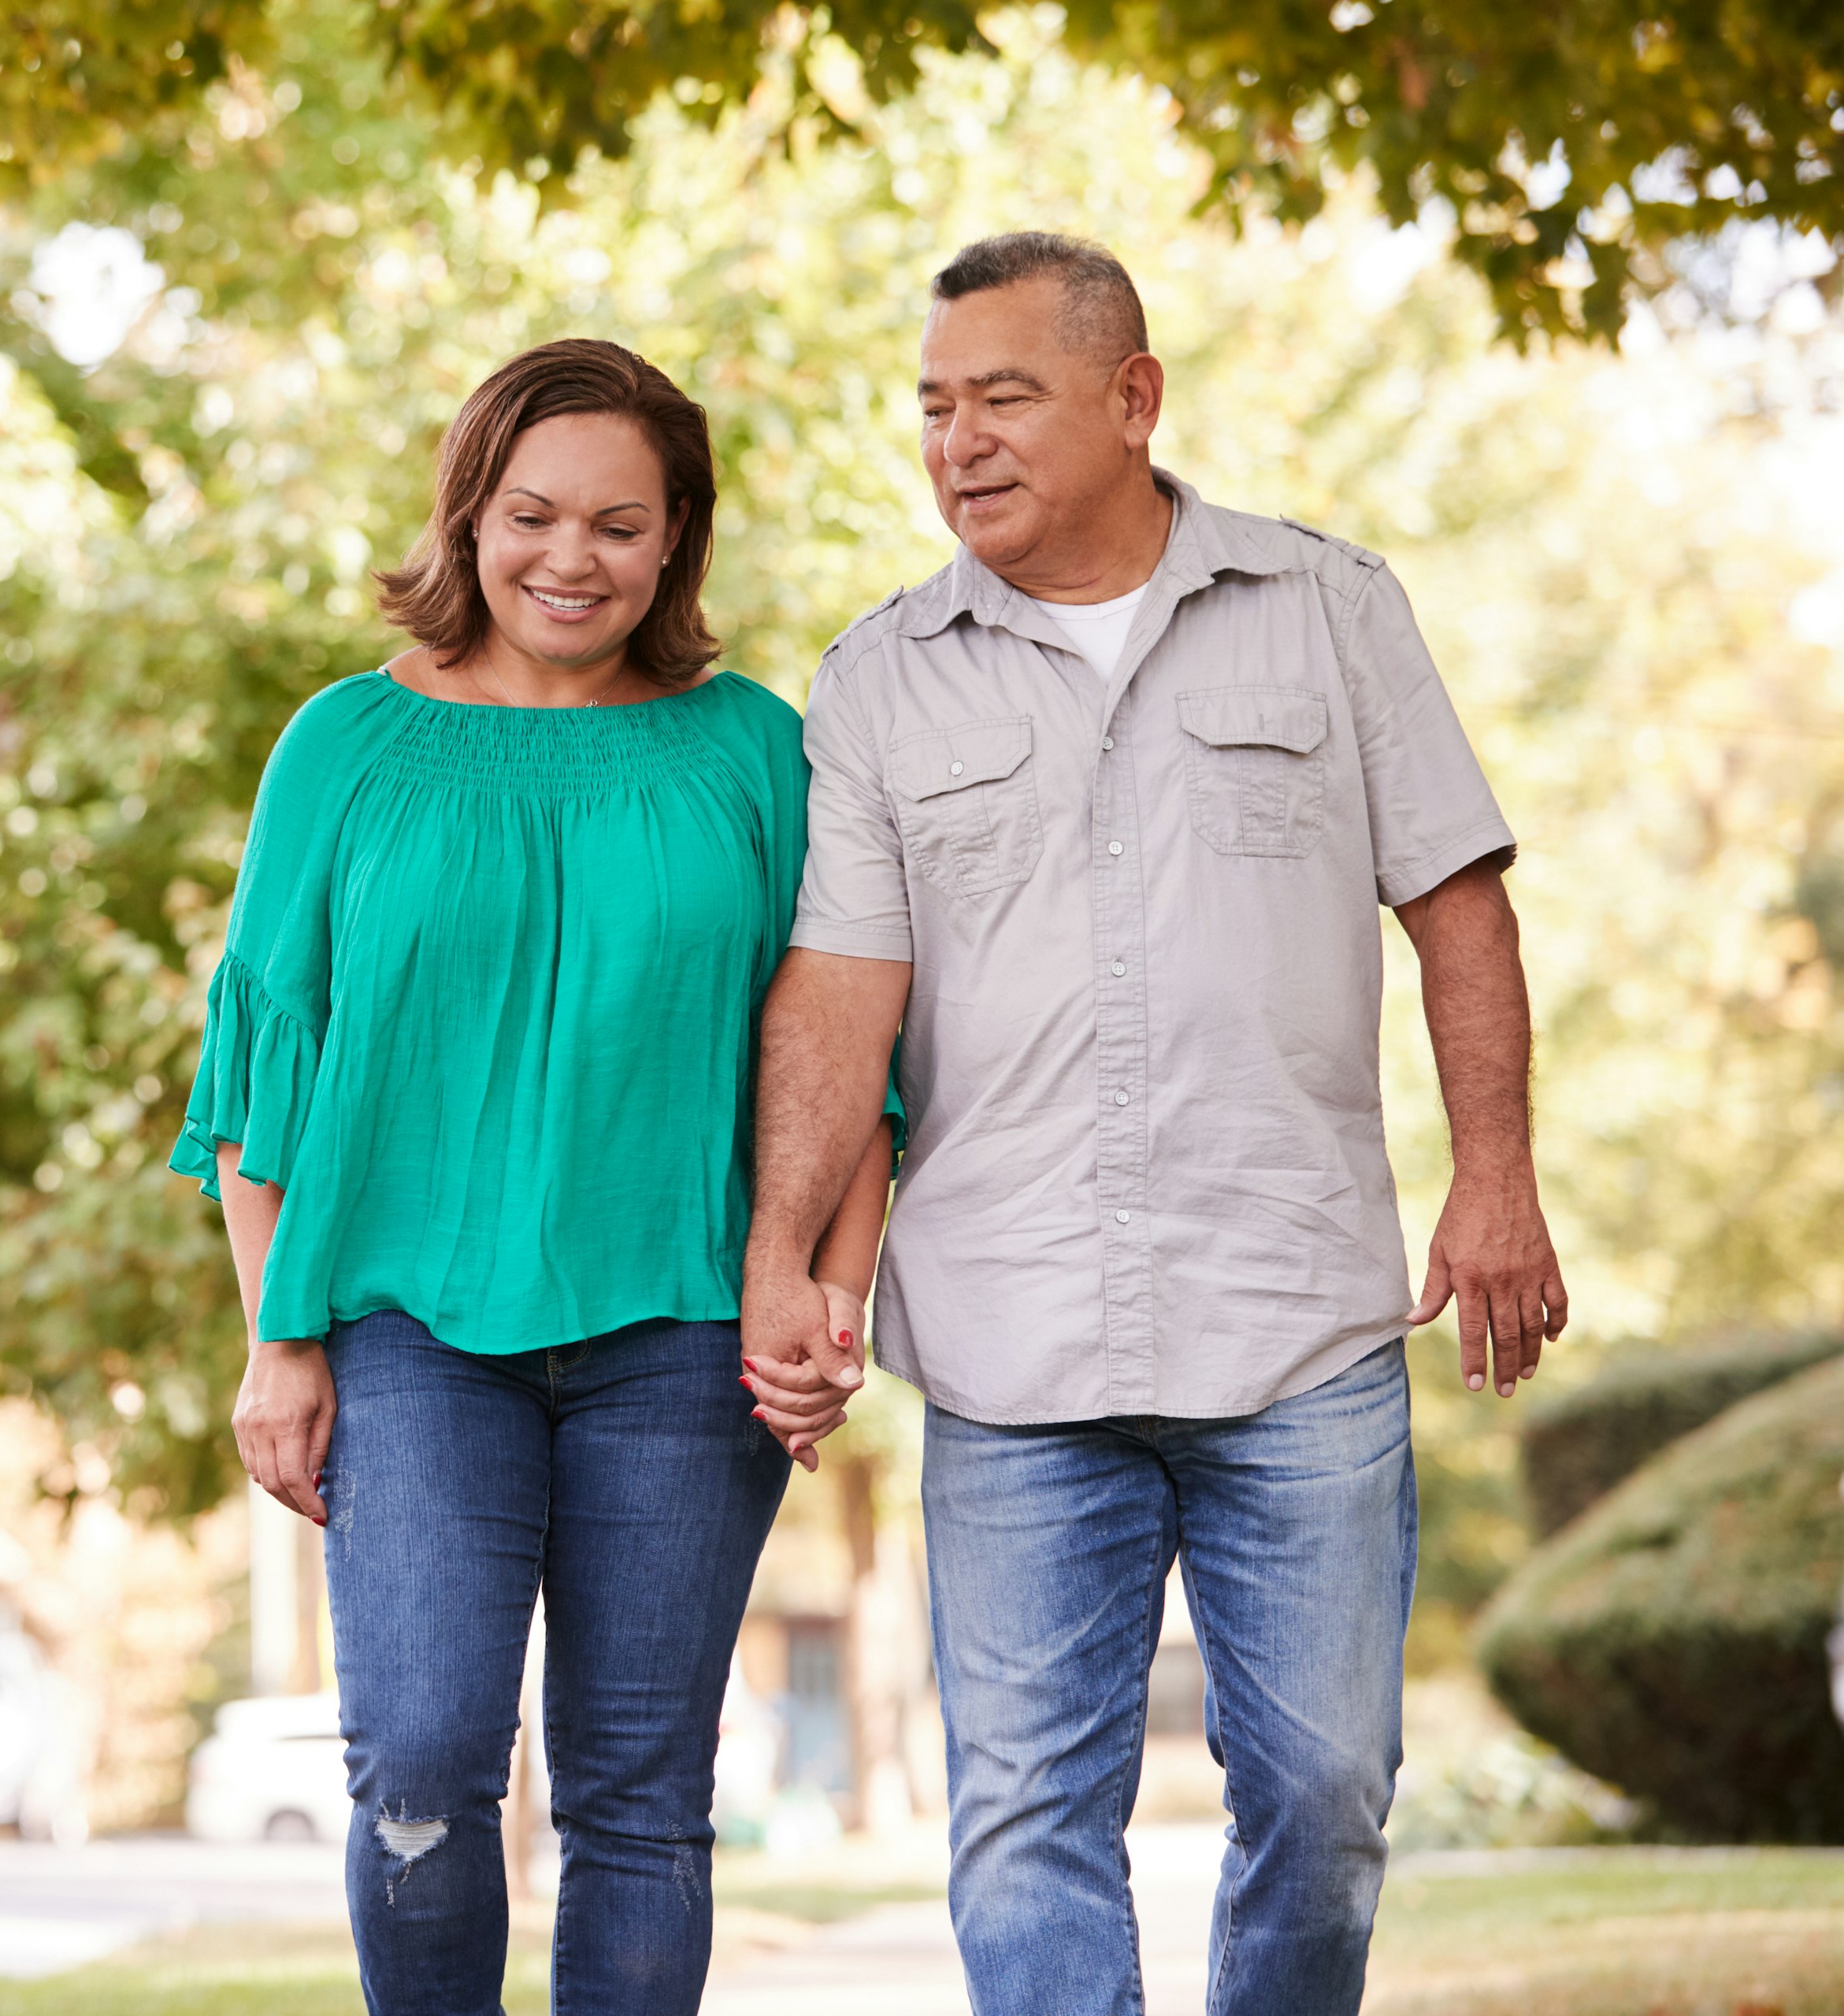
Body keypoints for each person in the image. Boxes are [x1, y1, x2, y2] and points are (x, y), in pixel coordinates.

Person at [744, 233, 1567, 2016]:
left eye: (1003, 398)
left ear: (1135, 399)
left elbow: (1460, 907)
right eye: (934, 407)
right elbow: (837, 989)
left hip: (1300, 1323)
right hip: (1013, 1337)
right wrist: (782, 1255)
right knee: (1025, 1818)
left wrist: (1494, 1177)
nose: (958, 442)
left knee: (1329, 1798)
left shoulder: (1332, 609)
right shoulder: (882, 675)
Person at [175, 338, 852, 2016]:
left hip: (687, 1333)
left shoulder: (754, 753)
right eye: (533, 514)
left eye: (623, 523)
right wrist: (279, 1336)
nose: (572, 558)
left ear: (678, 536)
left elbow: (841, 1057)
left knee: (639, 1793)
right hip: (408, 1325)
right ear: (471, 513)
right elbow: (264, 1067)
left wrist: (824, 1285)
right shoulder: (346, 744)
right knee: (419, 1761)